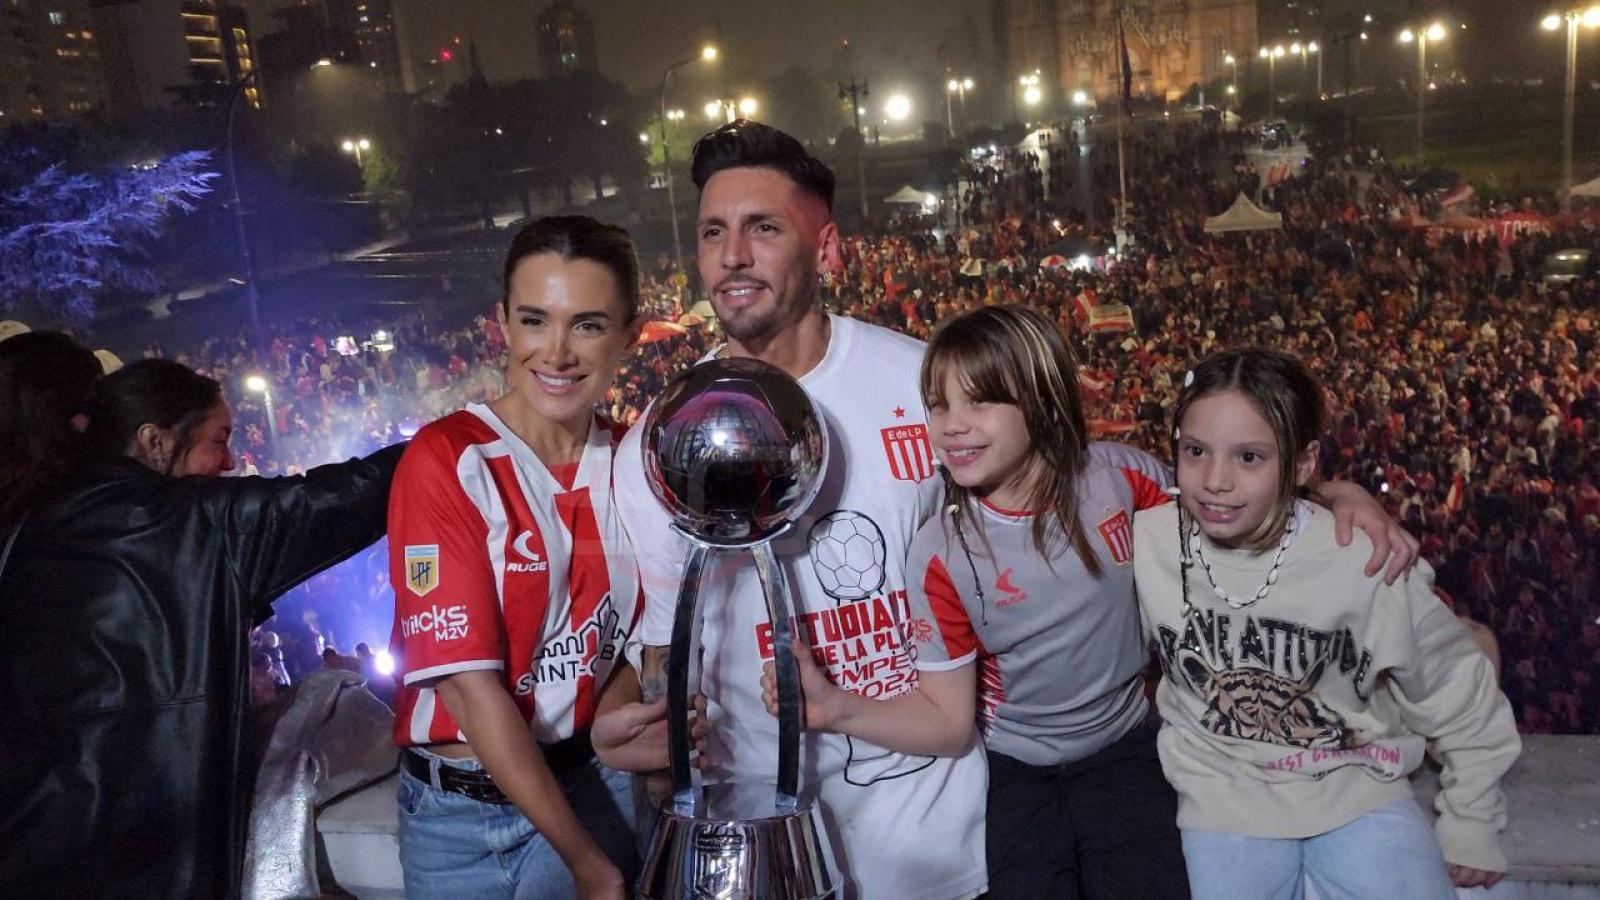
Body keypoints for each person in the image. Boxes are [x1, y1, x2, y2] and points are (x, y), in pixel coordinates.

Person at [762, 306, 1417, 899]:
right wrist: (837, 708)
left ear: (1042, 404)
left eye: (981, 402)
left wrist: (1337, 494)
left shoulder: (1119, 477)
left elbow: (1235, 506)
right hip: (1017, 776)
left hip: (1129, 755)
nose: (952, 425)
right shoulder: (939, 552)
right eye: (936, 405)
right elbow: (950, 722)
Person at [600, 121, 991, 900]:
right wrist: (648, 747)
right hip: (762, 859)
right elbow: (660, 656)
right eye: (714, 232)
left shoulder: (924, 387)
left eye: (764, 228)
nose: (733, 255)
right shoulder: (659, 440)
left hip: (932, 844)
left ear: (830, 249)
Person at [0, 356, 402, 899]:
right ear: (155, 440)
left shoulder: (26, 525)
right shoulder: (191, 523)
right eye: (219, 439)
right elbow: (338, 497)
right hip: (148, 859)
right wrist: (467, 435)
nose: (232, 461)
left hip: (32, 851)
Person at [1133, 347, 1520, 900]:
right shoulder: (1149, 538)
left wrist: (1472, 820)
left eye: (1249, 457)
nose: (1215, 479)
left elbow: (1457, 686)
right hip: (1221, 794)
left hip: (1360, 783)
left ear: (1305, 462)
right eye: (1195, 451)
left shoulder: (1361, 558)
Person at [386, 216, 645, 900]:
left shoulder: (637, 463)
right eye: (536, 320)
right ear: (502, 322)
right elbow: (469, 689)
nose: (556, 352)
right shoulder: (447, 459)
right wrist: (591, 867)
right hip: (461, 824)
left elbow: (633, 647)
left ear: (630, 335)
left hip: (597, 783)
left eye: (588, 325)